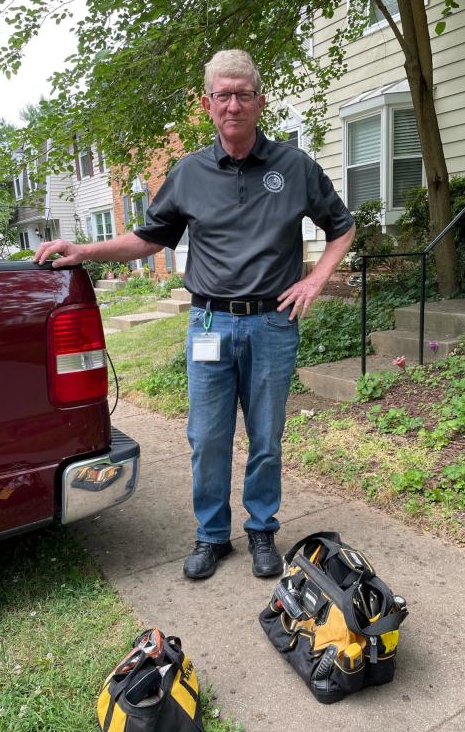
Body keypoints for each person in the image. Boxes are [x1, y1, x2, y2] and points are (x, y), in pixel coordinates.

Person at [34, 49, 355, 581]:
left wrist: (315, 279)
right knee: (206, 436)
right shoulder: (188, 173)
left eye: (244, 94)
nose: (234, 105)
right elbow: (146, 239)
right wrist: (85, 251)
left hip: (273, 324)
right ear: (207, 104)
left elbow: (341, 226)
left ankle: (260, 531)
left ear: (261, 100)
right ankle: (211, 535)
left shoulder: (295, 167)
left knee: (267, 436)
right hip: (208, 323)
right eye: (223, 95)